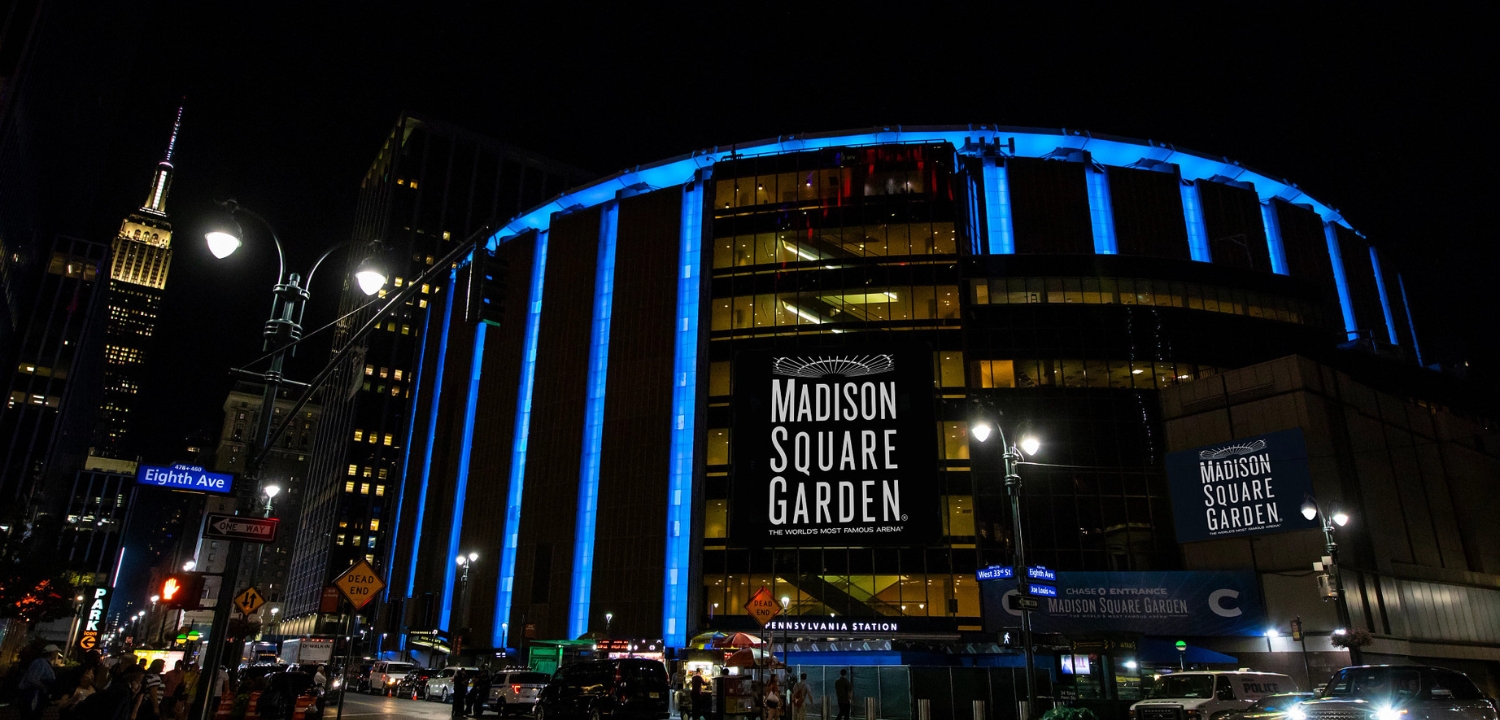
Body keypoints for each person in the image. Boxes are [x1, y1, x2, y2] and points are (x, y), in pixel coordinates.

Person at [16, 643, 61, 720]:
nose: (57, 654)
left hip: (37, 696)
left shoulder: (44, 663)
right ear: (52, 653)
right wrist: (43, 687)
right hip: (33, 695)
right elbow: (32, 678)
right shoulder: (41, 663)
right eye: (56, 652)